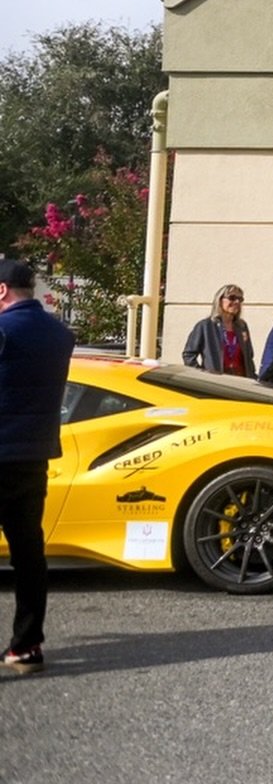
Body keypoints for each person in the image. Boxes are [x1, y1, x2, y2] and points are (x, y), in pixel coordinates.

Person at [0, 260, 75, 676]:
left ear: (2, 291)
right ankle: (27, 646)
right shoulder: (59, 335)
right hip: (34, 458)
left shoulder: (4, 331)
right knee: (29, 553)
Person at [182, 284, 256, 378]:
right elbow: (189, 355)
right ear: (220, 300)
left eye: (240, 299)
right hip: (217, 382)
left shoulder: (242, 326)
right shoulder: (205, 326)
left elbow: (249, 356)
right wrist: (202, 376)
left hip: (241, 381)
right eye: (232, 298)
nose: (237, 302)